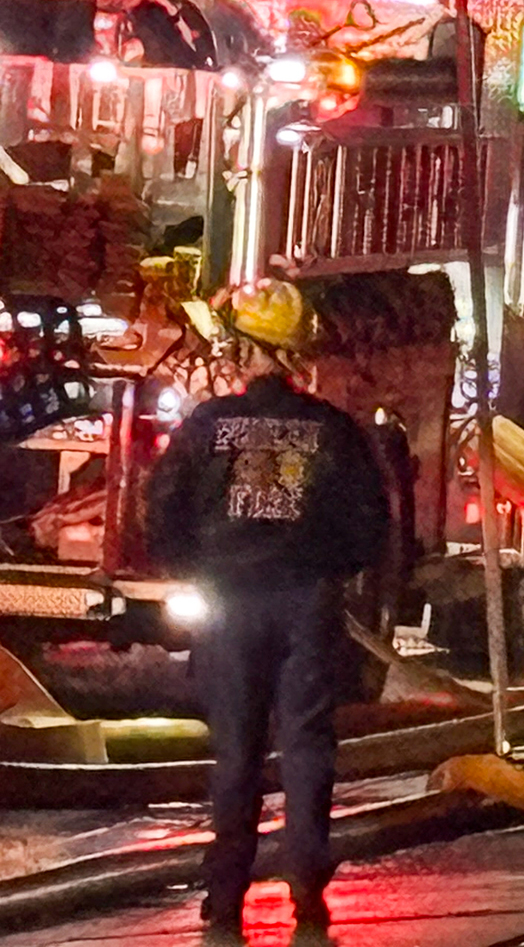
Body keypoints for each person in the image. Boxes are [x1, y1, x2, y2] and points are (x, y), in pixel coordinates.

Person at [145, 276, 391, 947]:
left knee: (237, 751)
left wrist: (192, 568)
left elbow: (164, 509)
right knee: (307, 744)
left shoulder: (207, 426)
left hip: (228, 604)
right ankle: (307, 886)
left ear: (248, 350)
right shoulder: (334, 431)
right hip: (306, 601)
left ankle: (225, 895)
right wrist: (329, 573)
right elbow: (370, 525)